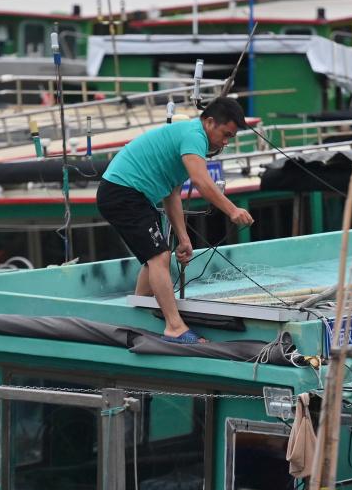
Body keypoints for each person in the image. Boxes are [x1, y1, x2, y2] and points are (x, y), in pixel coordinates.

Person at [97, 97, 254, 343]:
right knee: (159, 256)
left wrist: (184, 238)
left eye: (230, 139)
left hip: (133, 195)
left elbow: (172, 195)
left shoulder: (189, 139)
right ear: (210, 122)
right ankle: (175, 327)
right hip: (122, 191)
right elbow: (202, 182)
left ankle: (139, 314)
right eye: (225, 135)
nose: (224, 142)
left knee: (154, 258)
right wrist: (232, 210)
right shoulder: (194, 135)